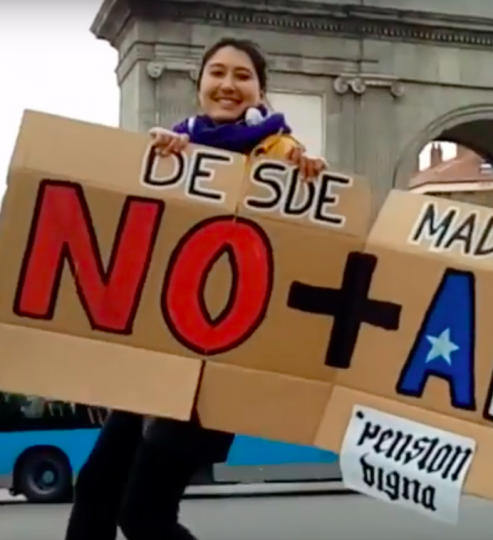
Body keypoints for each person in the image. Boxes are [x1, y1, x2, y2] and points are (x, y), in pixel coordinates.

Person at [64, 37, 325, 540]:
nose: (229, 85)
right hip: (156, 354)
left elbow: (311, 248)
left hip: (216, 367)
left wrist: (310, 178)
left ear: (262, 91)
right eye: (218, 73)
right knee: (96, 487)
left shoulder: (286, 160)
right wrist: (158, 165)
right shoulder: (173, 147)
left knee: (143, 514)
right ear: (199, 84)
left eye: (243, 76)